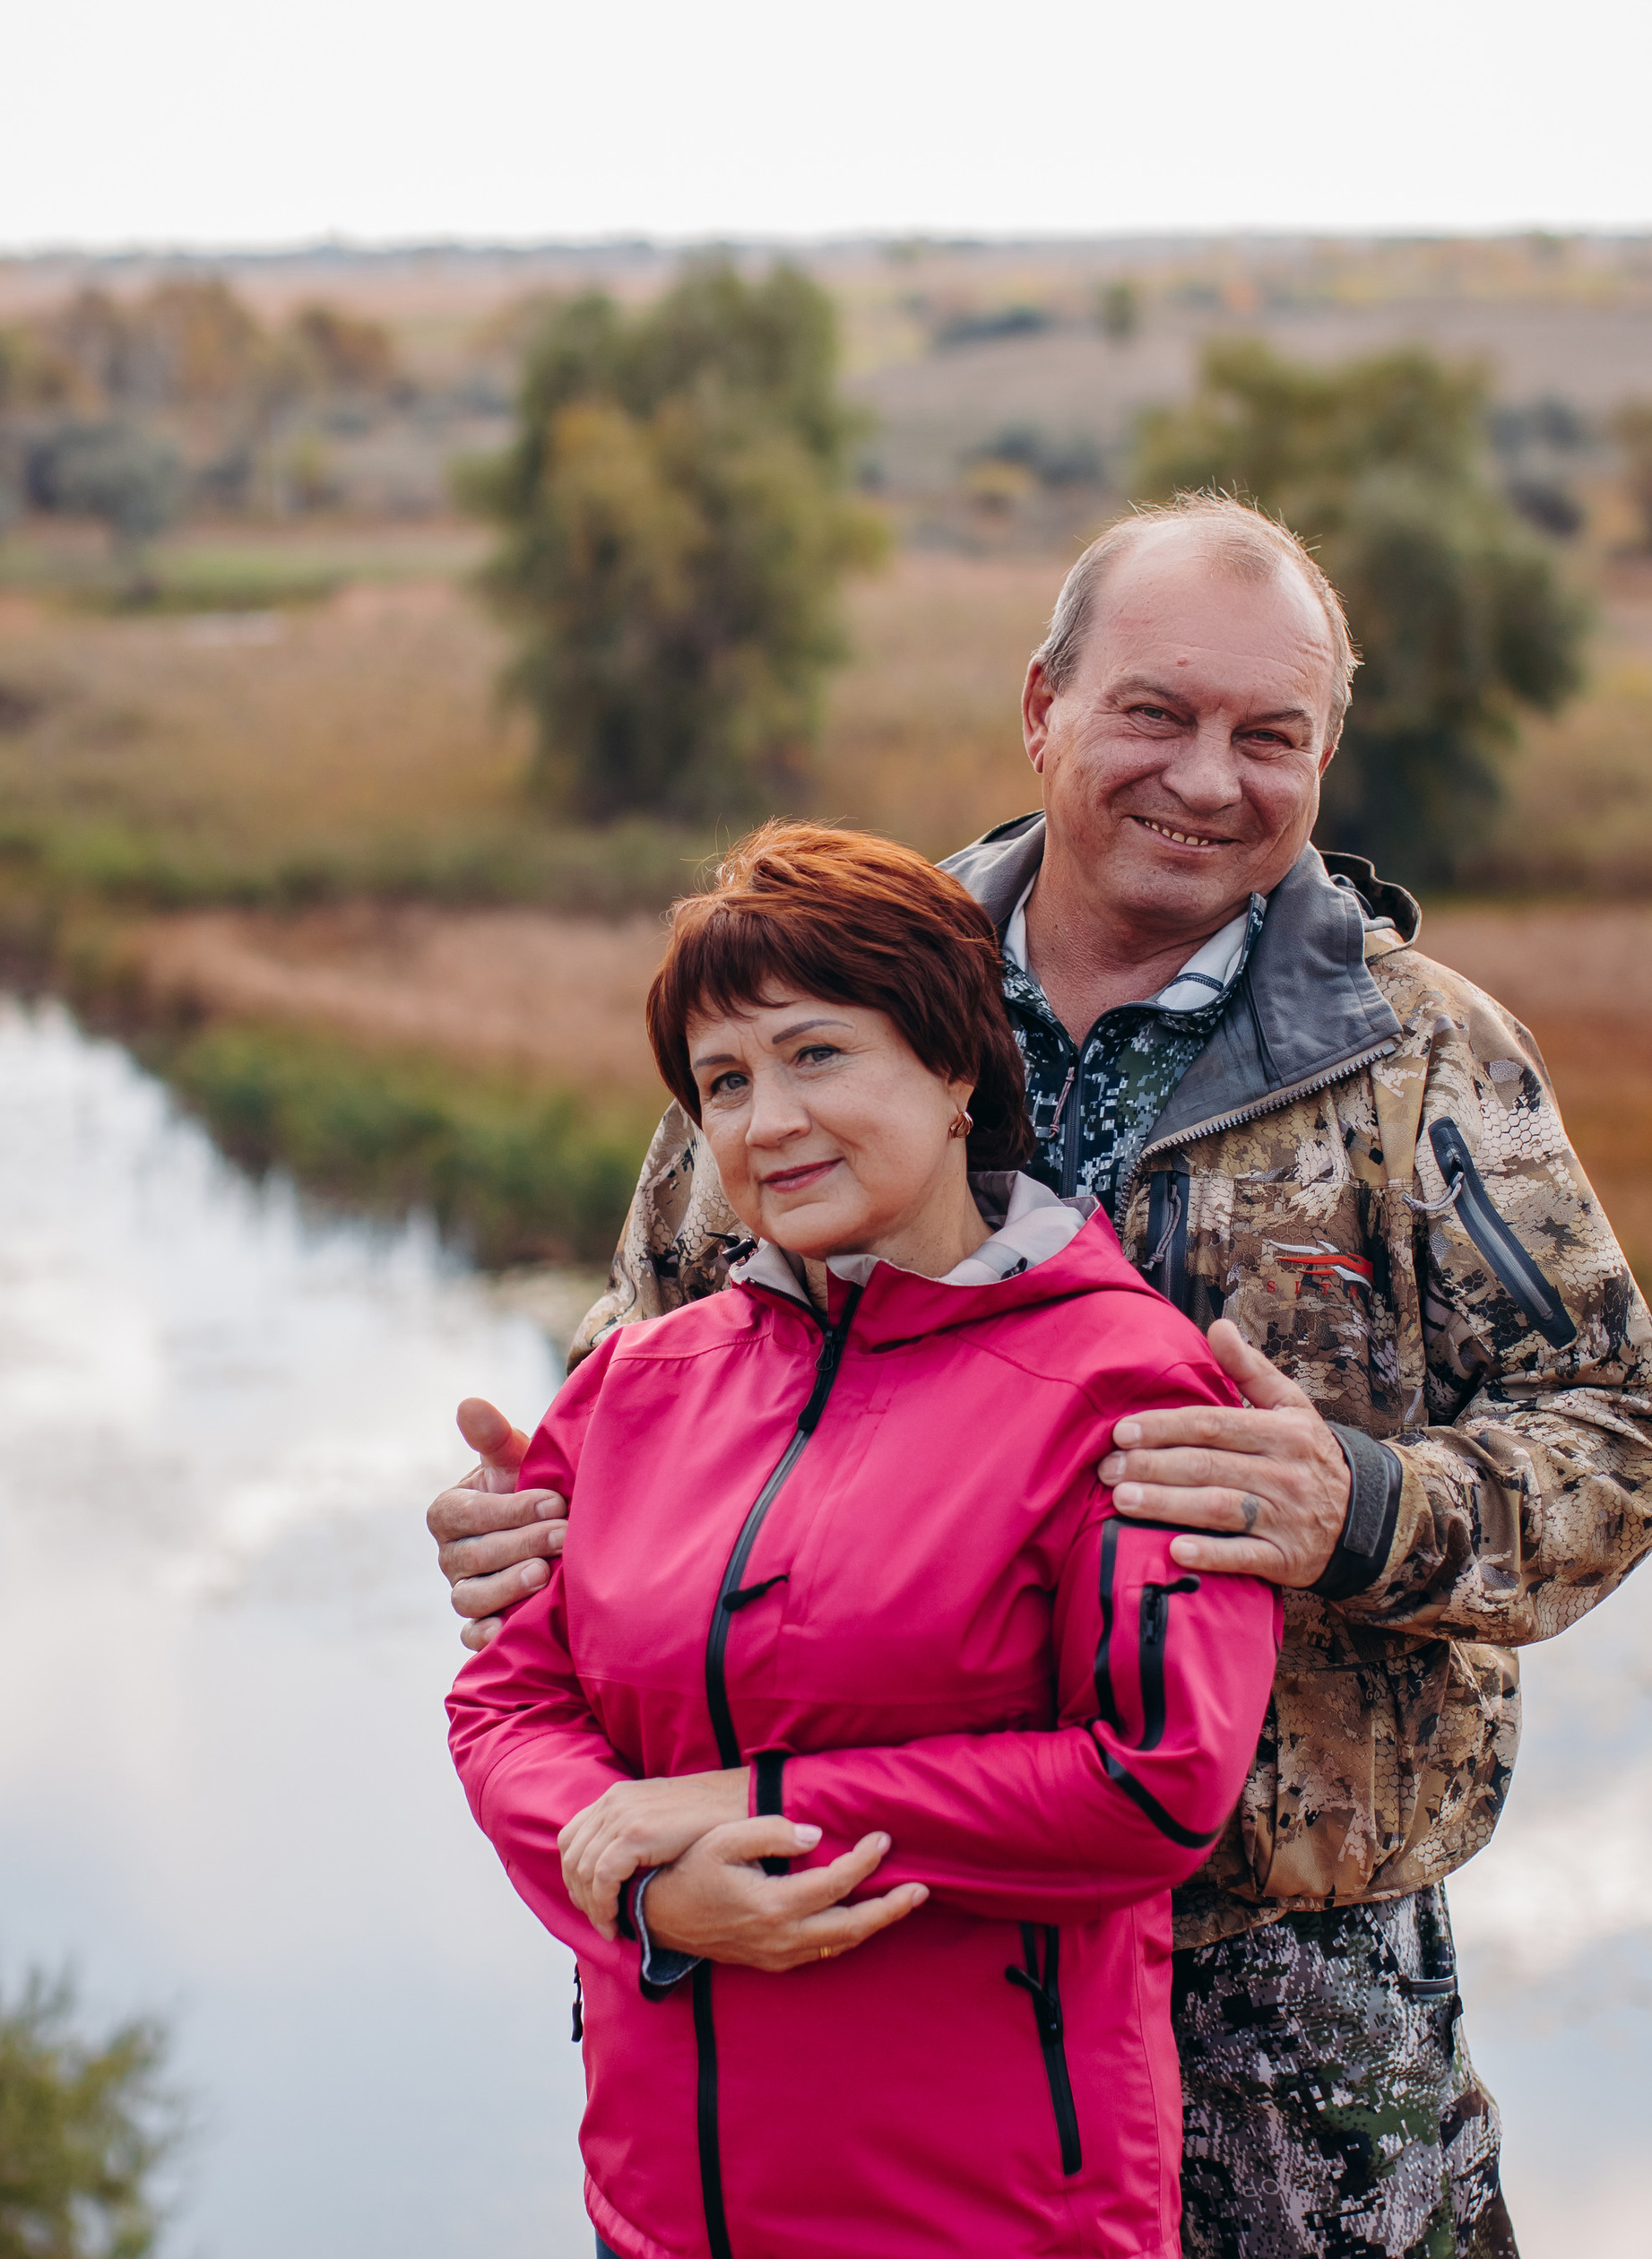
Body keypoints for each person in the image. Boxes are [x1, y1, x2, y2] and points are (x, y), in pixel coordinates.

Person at [435, 496, 1652, 2259]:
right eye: (1154, 713)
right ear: (1042, 706)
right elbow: (640, 1369)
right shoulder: (830, 987)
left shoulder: (1421, 1061)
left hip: (1279, 1987)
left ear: (1326, 752)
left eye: (1270, 735)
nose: (1207, 776)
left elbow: (1620, 1439)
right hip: (848, 1940)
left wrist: (1362, 1502)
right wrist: (531, 1532)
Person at [448, 822, 1279, 2259]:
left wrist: (753, 1801)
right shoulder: (637, 1385)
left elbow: (1155, 1782)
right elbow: (510, 1700)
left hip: (995, 2215)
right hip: (664, 2211)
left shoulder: (1125, 1385)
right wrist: (645, 1888)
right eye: (724, 1081)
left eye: (816, 1054)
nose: (767, 1122)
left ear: (955, 1065)